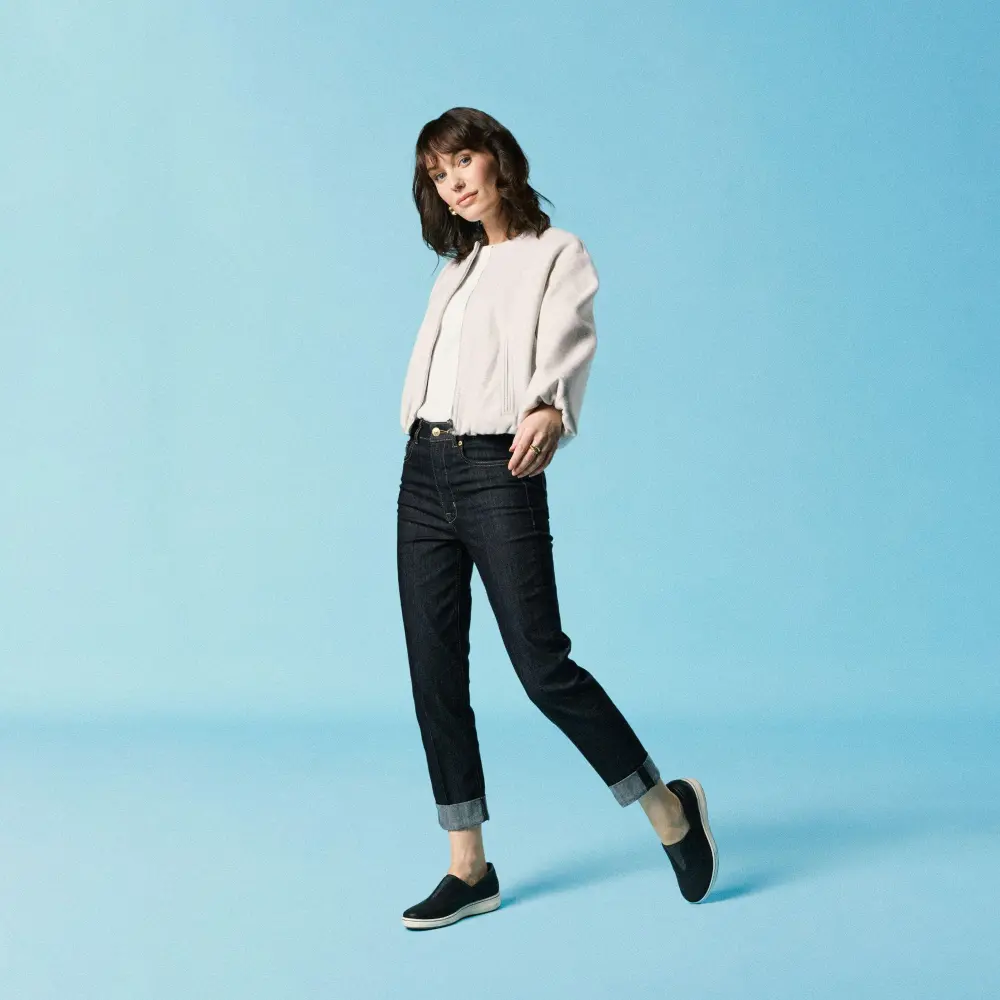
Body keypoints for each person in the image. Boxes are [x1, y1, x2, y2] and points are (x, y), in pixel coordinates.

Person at [396, 108, 718, 931]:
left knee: (542, 666)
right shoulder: (456, 269)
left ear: (497, 159)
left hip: (496, 470)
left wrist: (549, 406)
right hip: (424, 472)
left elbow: (569, 341)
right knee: (434, 671)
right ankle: (468, 868)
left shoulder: (555, 252)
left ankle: (669, 808)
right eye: (437, 174)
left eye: (462, 161)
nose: (453, 183)